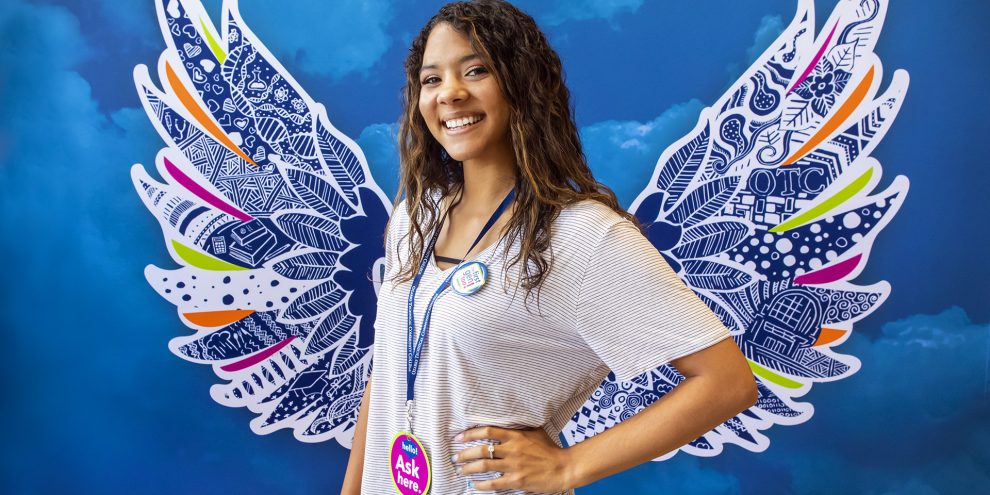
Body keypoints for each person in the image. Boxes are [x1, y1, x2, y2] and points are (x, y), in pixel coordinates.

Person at [341, 1, 757, 493]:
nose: (450, 93)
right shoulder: (415, 216)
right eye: (432, 80)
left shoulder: (582, 236)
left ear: (522, 86)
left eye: (476, 71)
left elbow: (727, 382)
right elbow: (390, 367)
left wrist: (568, 467)